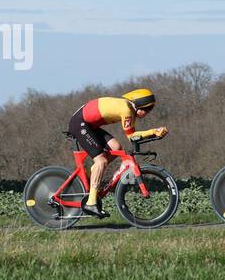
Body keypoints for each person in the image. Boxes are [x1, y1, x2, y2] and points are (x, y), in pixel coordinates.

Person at [69, 88, 168, 218]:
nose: (147, 113)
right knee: (101, 161)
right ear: (138, 104)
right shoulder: (126, 110)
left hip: (89, 125)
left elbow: (132, 136)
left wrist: (153, 134)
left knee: (116, 147)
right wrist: (153, 131)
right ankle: (91, 202)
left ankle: (91, 175)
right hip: (80, 124)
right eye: (147, 109)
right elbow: (132, 136)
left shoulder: (129, 109)